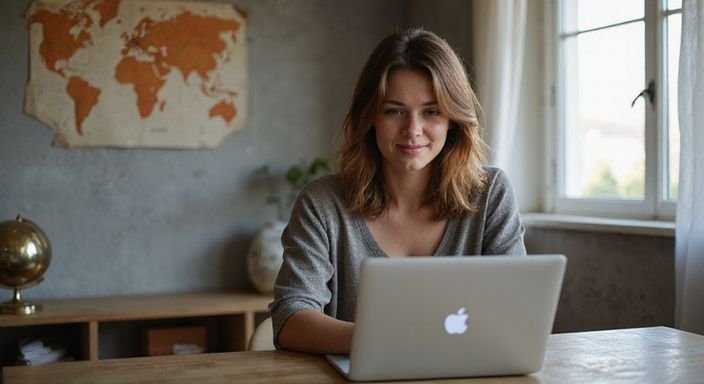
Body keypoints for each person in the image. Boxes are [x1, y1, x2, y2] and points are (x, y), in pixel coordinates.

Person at [269, 27, 526, 354]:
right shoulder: (322, 203)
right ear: (370, 117)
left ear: (453, 119)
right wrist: (387, 341)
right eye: (394, 110)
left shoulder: (491, 194)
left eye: (431, 111)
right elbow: (291, 316)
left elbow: (516, 311)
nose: (412, 130)